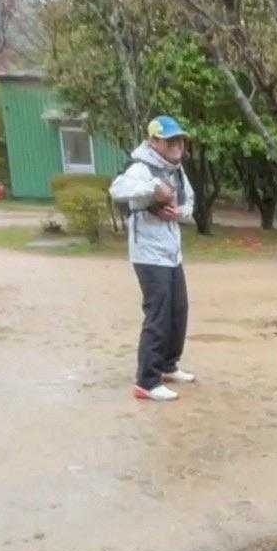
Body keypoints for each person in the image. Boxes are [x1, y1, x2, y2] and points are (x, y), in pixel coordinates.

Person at [109, 116, 197, 402]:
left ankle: (168, 365)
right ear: (154, 141)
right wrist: (153, 190)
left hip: (171, 252)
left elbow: (189, 203)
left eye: (179, 139)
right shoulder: (140, 167)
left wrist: (178, 213)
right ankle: (147, 381)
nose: (177, 145)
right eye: (170, 140)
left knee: (178, 311)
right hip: (148, 254)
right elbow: (117, 189)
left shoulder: (177, 170)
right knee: (158, 313)